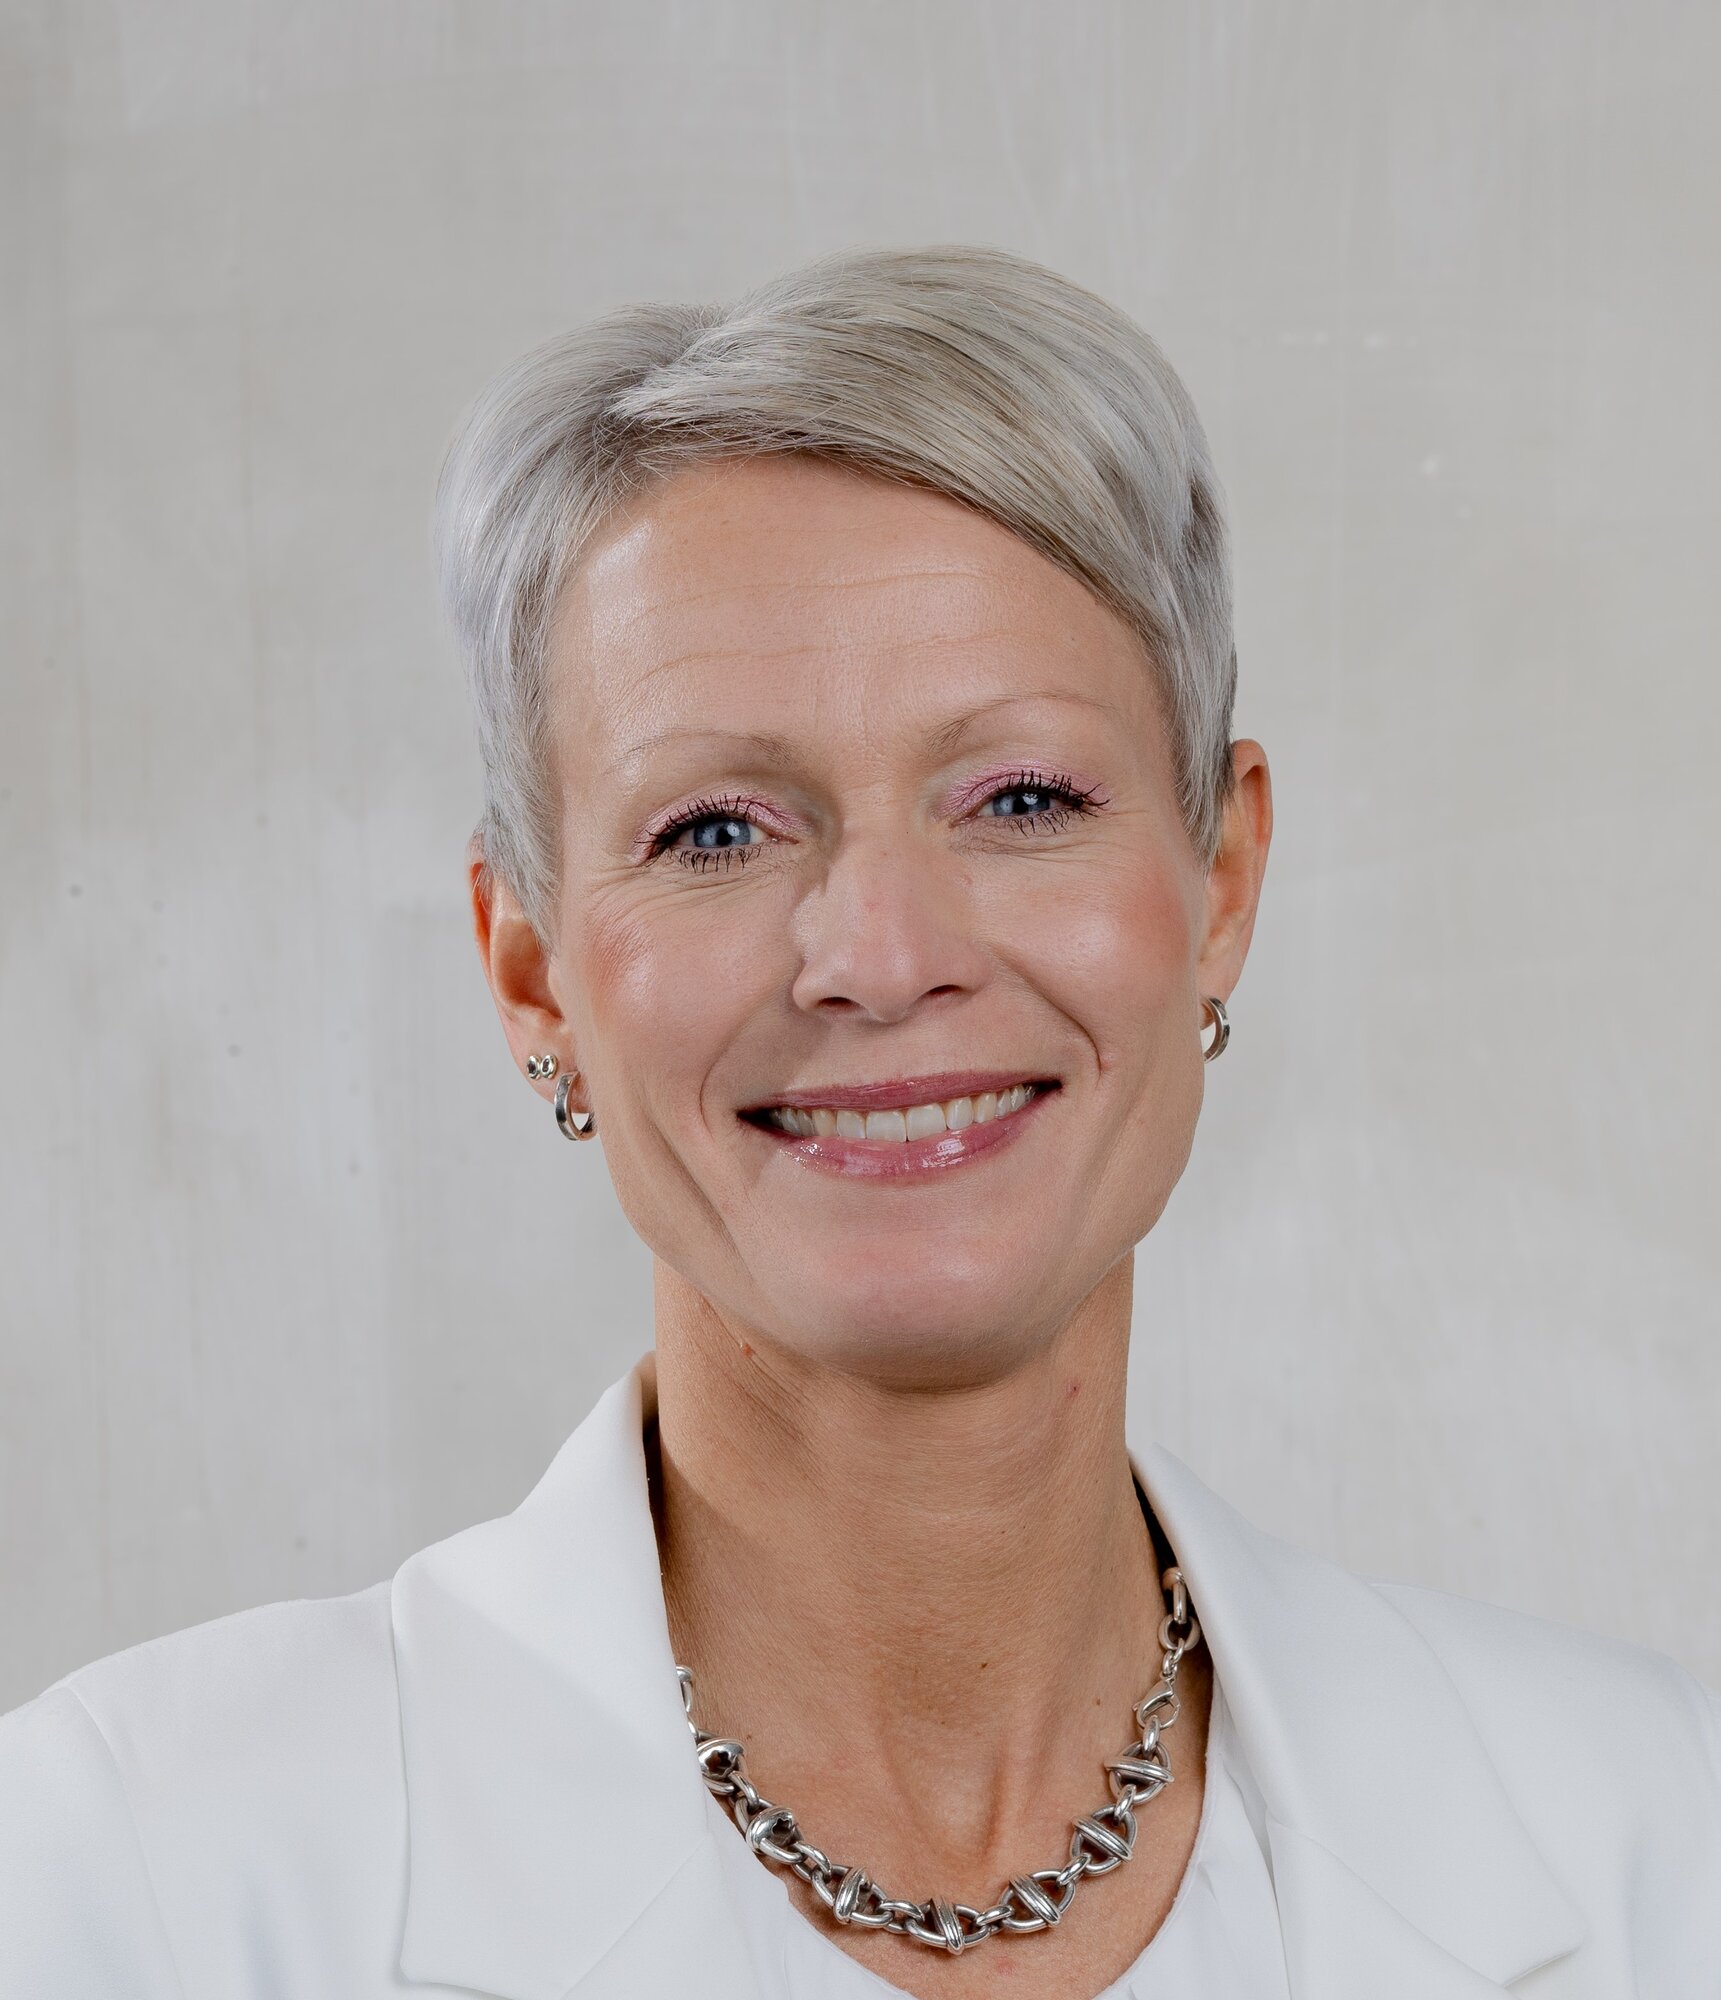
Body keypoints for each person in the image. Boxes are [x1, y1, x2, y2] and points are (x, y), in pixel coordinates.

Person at [1, 245, 1715, 2000]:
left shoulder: (1659, 1839)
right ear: (530, 972)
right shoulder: (132, 1873)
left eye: (1022, 799)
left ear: (1218, 879)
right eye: (714, 832)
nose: (883, 958)